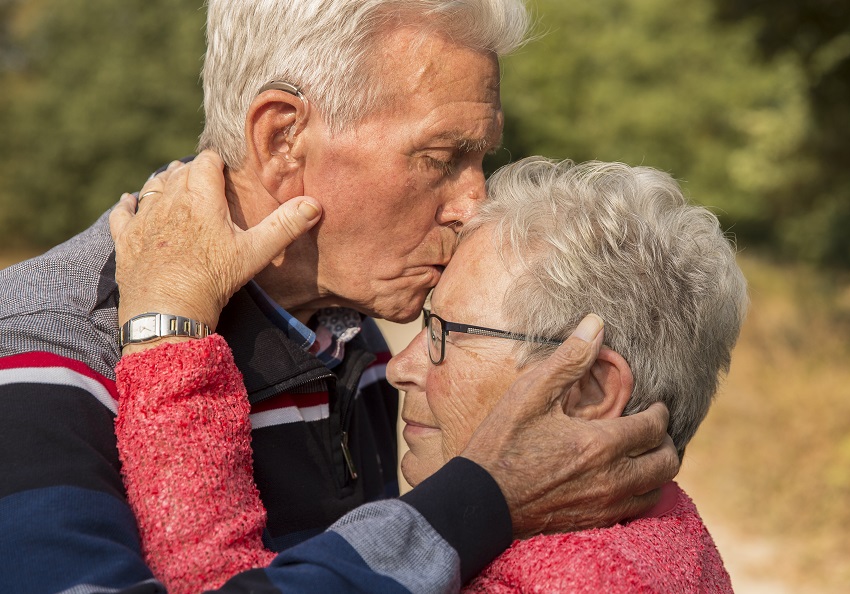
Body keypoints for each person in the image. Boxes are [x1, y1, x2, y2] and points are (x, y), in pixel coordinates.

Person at [0, 1, 679, 593]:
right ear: (283, 138)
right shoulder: (37, 356)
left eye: (482, 160)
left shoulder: (349, 333)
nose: (475, 206)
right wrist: (481, 500)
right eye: (442, 158)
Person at [113, 157, 747, 593]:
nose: (401, 367)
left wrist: (168, 333)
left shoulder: (570, 580)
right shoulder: (660, 538)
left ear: (586, 391)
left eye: (445, 335)